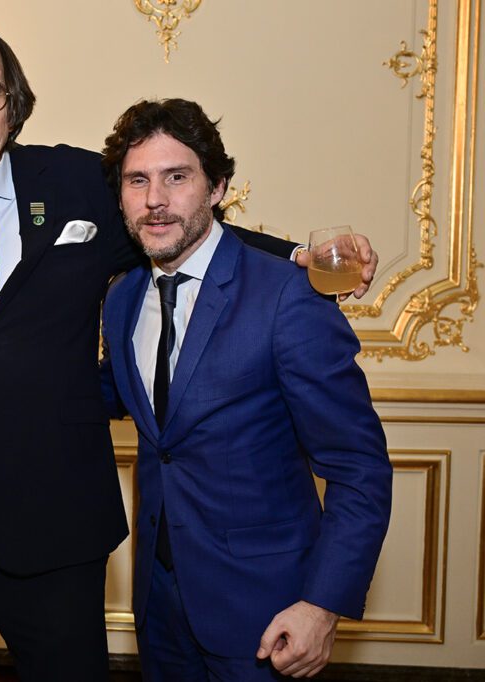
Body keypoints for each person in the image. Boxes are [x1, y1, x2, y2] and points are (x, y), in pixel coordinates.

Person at [0, 18, 377, 682]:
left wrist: (298, 255)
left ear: (13, 103)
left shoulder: (76, 181)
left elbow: (181, 222)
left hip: (59, 532)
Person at [98, 98, 392, 680]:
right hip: (160, 609)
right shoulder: (123, 297)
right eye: (138, 180)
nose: (155, 199)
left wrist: (321, 606)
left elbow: (359, 467)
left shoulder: (289, 295)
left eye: (176, 177)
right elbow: (133, 406)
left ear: (217, 188)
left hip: (268, 611)